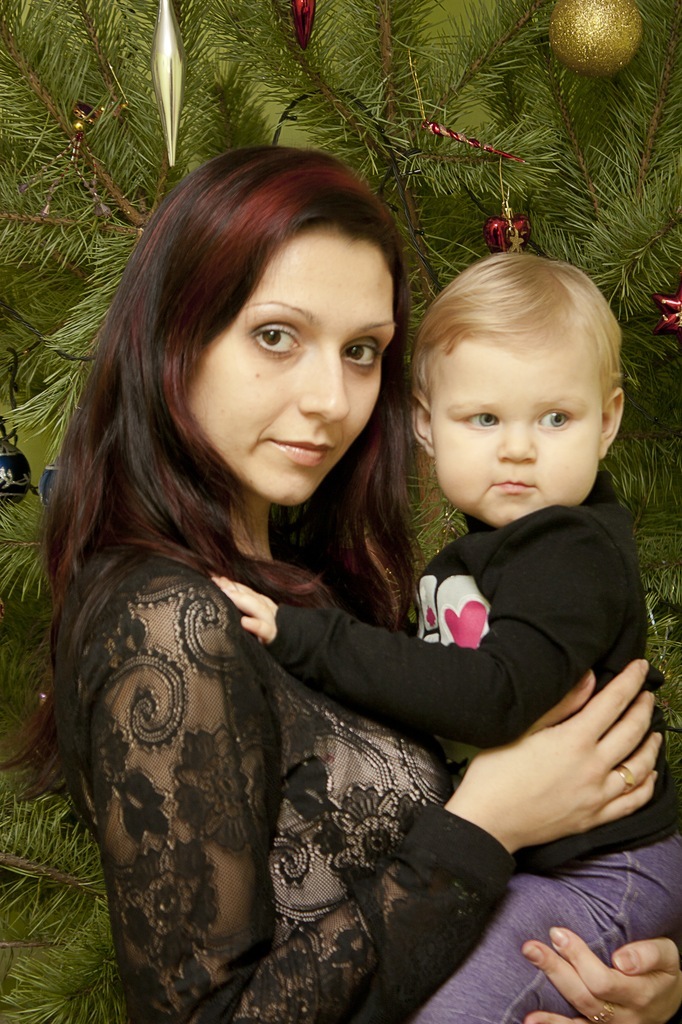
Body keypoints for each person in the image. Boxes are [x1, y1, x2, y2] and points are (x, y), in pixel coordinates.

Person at [5, 147, 680, 1024]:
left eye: (361, 351)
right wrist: (486, 824)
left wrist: (615, 981)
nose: (332, 398)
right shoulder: (167, 619)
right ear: (177, 333)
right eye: (276, 336)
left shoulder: (303, 586)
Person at [216, 252, 682, 1022]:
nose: (519, 448)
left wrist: (305, 638)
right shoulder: (481, 556)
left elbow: (493, 698)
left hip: (601, 871)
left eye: (555, 418)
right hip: (528, 862)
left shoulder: (569, 550)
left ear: (608, 422)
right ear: (427, 426)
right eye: (485, 419)